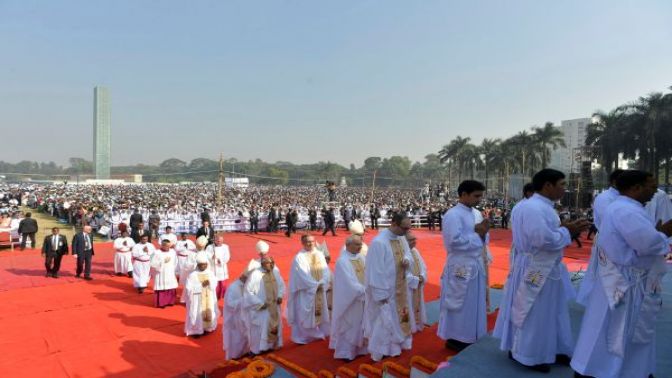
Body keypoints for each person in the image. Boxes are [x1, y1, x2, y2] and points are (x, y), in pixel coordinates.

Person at [571, 170, 672, 378]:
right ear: (635, 188)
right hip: (627, 280)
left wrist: (656, 234)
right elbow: (647, 244)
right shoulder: (628, 212)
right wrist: (664, 234)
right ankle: (613, 371)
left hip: (617, 275)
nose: (655, 192)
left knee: (605, 326)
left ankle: (597, 368)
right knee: (621, 329)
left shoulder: (623, 207)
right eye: (651, 187)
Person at [493, 169, 590, 373]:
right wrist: (567, 231)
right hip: (535, 267)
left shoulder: (540, 207)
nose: (565, 189)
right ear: (548, 185)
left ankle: (553, 348)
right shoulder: (534, 208)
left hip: (546, 267)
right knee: (533, 312)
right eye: (562, 184)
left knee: (552, 311)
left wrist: (564, 229)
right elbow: (542, 240)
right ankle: (527, 354)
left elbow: (546, 235)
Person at [438, 180, 489, 351]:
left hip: (475, 263)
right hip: (460, 265)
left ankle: (472, 333)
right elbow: (453, 243)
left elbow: (484, 238)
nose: (479, 199)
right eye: (476, 196)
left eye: (481, 195)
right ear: (463, 194)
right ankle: (456, 337)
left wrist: (482, 235)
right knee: (459, 302)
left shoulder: (477, 213)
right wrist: (478, 235)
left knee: (474, 302)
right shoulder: (453, 215)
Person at [364, 212, 414, 362]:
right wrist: (381, 294)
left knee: (400, 316)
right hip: (386, 291)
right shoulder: (379, 242)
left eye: (408, 229)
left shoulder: (401, 239)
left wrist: (406, 259)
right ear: (393, 223)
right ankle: (383, 349)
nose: (406, 232)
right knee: (384, 320)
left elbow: (408, 255)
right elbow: (375, 271)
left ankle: (398, 345)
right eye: (404, 228)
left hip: (400, 288)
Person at [576, 169, 625, 305]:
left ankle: (614, 298)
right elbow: (609, 222)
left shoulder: (623, 197)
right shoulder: (605, 198)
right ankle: (598, 299)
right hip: (608, 240)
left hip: (620, 241)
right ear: (615, 181)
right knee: (604, 272)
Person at [287, 234, 331, 344]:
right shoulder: (299, 257)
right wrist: (315, 285)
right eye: (307, 242)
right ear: (302, 243)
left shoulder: (319, 254)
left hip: (319, 289)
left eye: (312, 241)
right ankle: (305, 336)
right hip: (307, 291)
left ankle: (321, 331)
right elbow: (302, 275)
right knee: (305, 314)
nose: (310, 243)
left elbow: (325, 270)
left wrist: (323, 282)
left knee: (320, 312)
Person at [329, 235, 367, 360]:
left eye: (360, 244)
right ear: (348, 245)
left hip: (363, 297)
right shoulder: (342, 261)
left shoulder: (361, 257)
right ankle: (346, 353)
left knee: (361, 323)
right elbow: (348, 283)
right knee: (350, 324)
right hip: (350, 300)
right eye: (357, 244)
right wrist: (363, 290)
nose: (360, 246)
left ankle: (361, 349)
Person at [244, 256, 286, 355]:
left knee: (273, 326)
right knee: (260, 329)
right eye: (268, 263)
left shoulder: (275, 272)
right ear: (262, 264)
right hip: (262, 308)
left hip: (274, 307)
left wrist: (280, 295)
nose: (270, 265)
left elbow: (281, 285)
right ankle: (257, 350)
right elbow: (248, 292)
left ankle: (270, 346)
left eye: (272, 262)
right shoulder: (255, 274)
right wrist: (259, 303)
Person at [184, 252, 218, 337]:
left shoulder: (210, 273)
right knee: (197, 313)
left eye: (204, 265)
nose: (203, 266)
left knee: (209, 311)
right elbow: (188, 289)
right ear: (198, 265)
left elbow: (214, 283)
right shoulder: (192, 275)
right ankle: (196, 331)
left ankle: (207, 328)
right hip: (197, 299)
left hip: (208, 297)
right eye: (201, 265)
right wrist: (200, 286)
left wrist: (210, 283)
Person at [223, 272, 250, 360]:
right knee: (236, 338)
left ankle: (244, 352)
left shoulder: (247, 285)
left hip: (245, 317)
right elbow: (230, 304)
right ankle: (234, 356)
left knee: (245, 337)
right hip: (235, 318)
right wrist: (243, 301)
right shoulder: (233, 288)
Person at [406, 231, 427, 333]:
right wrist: (416, 280)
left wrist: (422, 275)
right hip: (408, 287)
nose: (414, 241)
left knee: (418, 304)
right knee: (408, 305)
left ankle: (418, 324)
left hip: (417, 283)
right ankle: (410, 327)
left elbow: (423, 266)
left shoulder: (415, 251)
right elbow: (401, 273)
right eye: (411, 240)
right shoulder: (402, 253)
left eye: (415, 239)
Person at [151, 239, 178, 308]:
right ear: (162, 245)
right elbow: (152, 263)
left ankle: (170, 301)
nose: (168, 248)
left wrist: (173, 269)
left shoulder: (172, 252)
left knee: (171, 287)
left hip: (170, 272)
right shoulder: (156, 252)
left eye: (169, 246)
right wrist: (162, 262)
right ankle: (161, 303)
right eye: (166, 246)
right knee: (162, 287)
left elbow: (175, 261)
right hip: (161, 273)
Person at [208, 235, 230, 300]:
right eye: (217, 241)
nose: (219, 242)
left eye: (220, 241)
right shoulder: (210, 247)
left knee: (223, 284)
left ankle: (223, 295)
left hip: (222, 267)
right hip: (213, 268)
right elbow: (207, 254)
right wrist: (212, 257)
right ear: (214, 240)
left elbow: (227, 256)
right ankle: (215, 295)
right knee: (215, 283)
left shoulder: (225, 247)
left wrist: (221, 261)